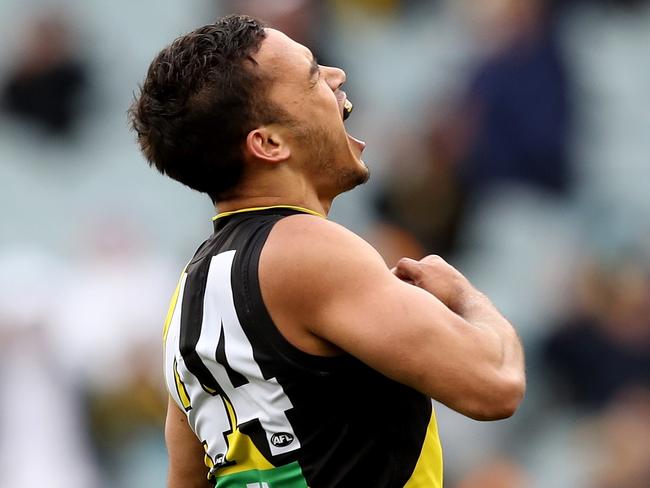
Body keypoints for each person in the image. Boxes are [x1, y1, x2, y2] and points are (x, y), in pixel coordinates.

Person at [129, 14, 525, 488]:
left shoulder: (187, 294)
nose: (337, 76)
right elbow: (496, 386)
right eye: (313, 73)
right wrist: (464, 297)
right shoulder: (309, 250)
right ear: (269, 143)